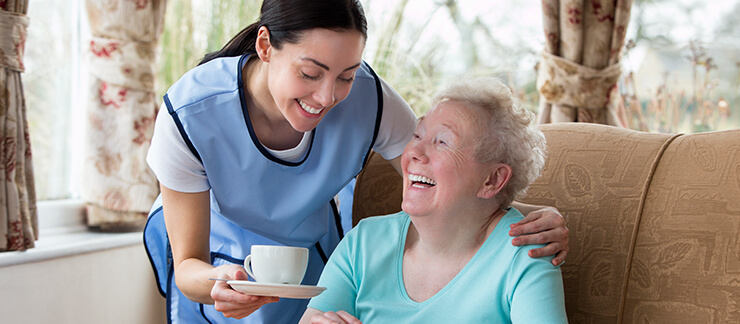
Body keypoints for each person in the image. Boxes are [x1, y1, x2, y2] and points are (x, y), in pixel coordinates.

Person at [143, 0, 569, 323]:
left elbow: (457, 183)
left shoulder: (370, 99)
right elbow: (188, 266)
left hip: (305, 248)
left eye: (346, 75)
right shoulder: (191, 113)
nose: (327, 98)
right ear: (265, 45)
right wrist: (220, 282)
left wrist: (535, 218)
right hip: (216, 260)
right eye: (311, 73)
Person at [300, 77, 568, 324]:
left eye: (442, 142)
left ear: (492, 180)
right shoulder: (364, 242)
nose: (414, 151)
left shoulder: (526, 252)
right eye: (417, 135)